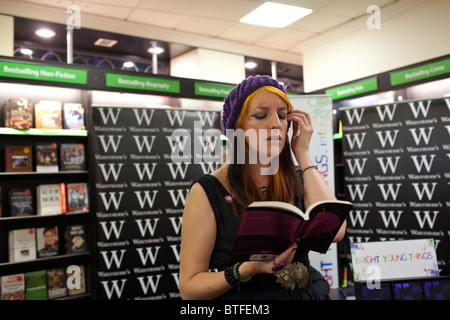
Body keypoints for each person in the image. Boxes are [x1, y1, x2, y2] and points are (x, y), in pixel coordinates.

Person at [179, 75, 346, 300]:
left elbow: (335, 231)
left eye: (282, 115)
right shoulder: (209, 190)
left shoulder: (297, 178)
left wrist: (303, 155)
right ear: (237, 128)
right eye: (261, 115)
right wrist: (245, 270)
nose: (276, 123)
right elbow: (189, 288)